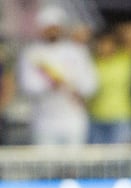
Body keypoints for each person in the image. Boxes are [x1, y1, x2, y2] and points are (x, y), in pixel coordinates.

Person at [17, 4, 97, 146]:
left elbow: (90, 83)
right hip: (44, 121)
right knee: (46, 165)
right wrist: (51, 85)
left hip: (73, 118)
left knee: (74, 165)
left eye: (55, 27)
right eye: (48, 27)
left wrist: (74, 86)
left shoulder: (77, 51)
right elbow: (28, 85)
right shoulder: (32, 53)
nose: (52, 31)